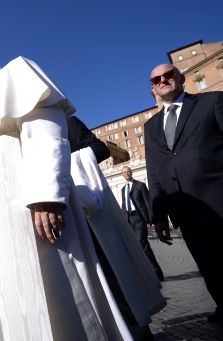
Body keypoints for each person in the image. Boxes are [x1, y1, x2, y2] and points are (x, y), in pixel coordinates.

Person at [0, 44, 132, 340]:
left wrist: (46, 194)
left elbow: (45, 130)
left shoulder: (17, 72)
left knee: (40, 288)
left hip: (22, 202)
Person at [68, 116, 165, 340]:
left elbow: (100, 149)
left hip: (90, 214)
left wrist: (63, 163)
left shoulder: (67, 122)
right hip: (64, 220)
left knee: (112, 276)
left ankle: (138, 331)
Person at [145, 63, 223, 323]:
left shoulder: (211, 101)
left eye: (168, 75)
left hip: (217, 197)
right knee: (206, 262)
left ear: (181, 78)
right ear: (153, 88)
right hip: (183, 207)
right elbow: (154, 171)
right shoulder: (151, 126)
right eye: (157, 79)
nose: (163, 80)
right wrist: (158, 215)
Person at [121, 166, 165, 281]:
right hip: (129, 219)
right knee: (138, 246)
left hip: (139, 218)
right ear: (123, 175)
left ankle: (156, 272)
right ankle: (148, 272)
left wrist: (150, 219)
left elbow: (147, 202)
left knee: (142, 243)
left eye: (128, 172)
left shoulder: (140, 185)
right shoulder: (123, 189)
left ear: (131, 172)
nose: (127, 174)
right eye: (124, 173)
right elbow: (124, 205)